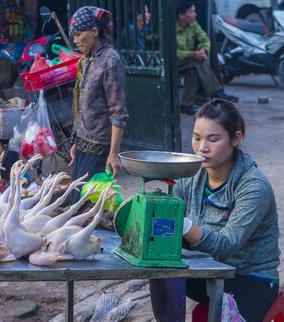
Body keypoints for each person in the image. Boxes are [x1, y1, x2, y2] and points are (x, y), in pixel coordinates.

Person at [149, 99, 280, 321]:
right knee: (159, 267)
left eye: (213, 139)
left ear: (236, 139)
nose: (202, 148)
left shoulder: (253, 186)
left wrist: (181, 223)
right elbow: (173, 236)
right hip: (206, 269)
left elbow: (225, 246)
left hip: (248, 278)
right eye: (197, 137)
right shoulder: (189, 176)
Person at [68, 6, 129, 202]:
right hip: (83, 144)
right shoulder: (86, 59)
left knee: (89, 204)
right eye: (74, 35)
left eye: (79, 34)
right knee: (76, 200)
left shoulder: (111, 61)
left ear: (95, 32)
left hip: (99, 148)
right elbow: (83, 105)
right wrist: (76, 141)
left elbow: (118, 112)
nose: (75, 40)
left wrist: (113, 154)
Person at [176, 0, 238, 115]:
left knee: (194, 69)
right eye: (191, 12)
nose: (195, 14)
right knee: (198, 62)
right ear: (181, 15)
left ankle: (186, 105)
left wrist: (202, 50)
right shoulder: (172, 29)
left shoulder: (193, 25)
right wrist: (193, 54)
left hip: (189, 62)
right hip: (174, 61)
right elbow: (175, 52)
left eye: (195, 11)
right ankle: (217, 93)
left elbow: (205, 39)